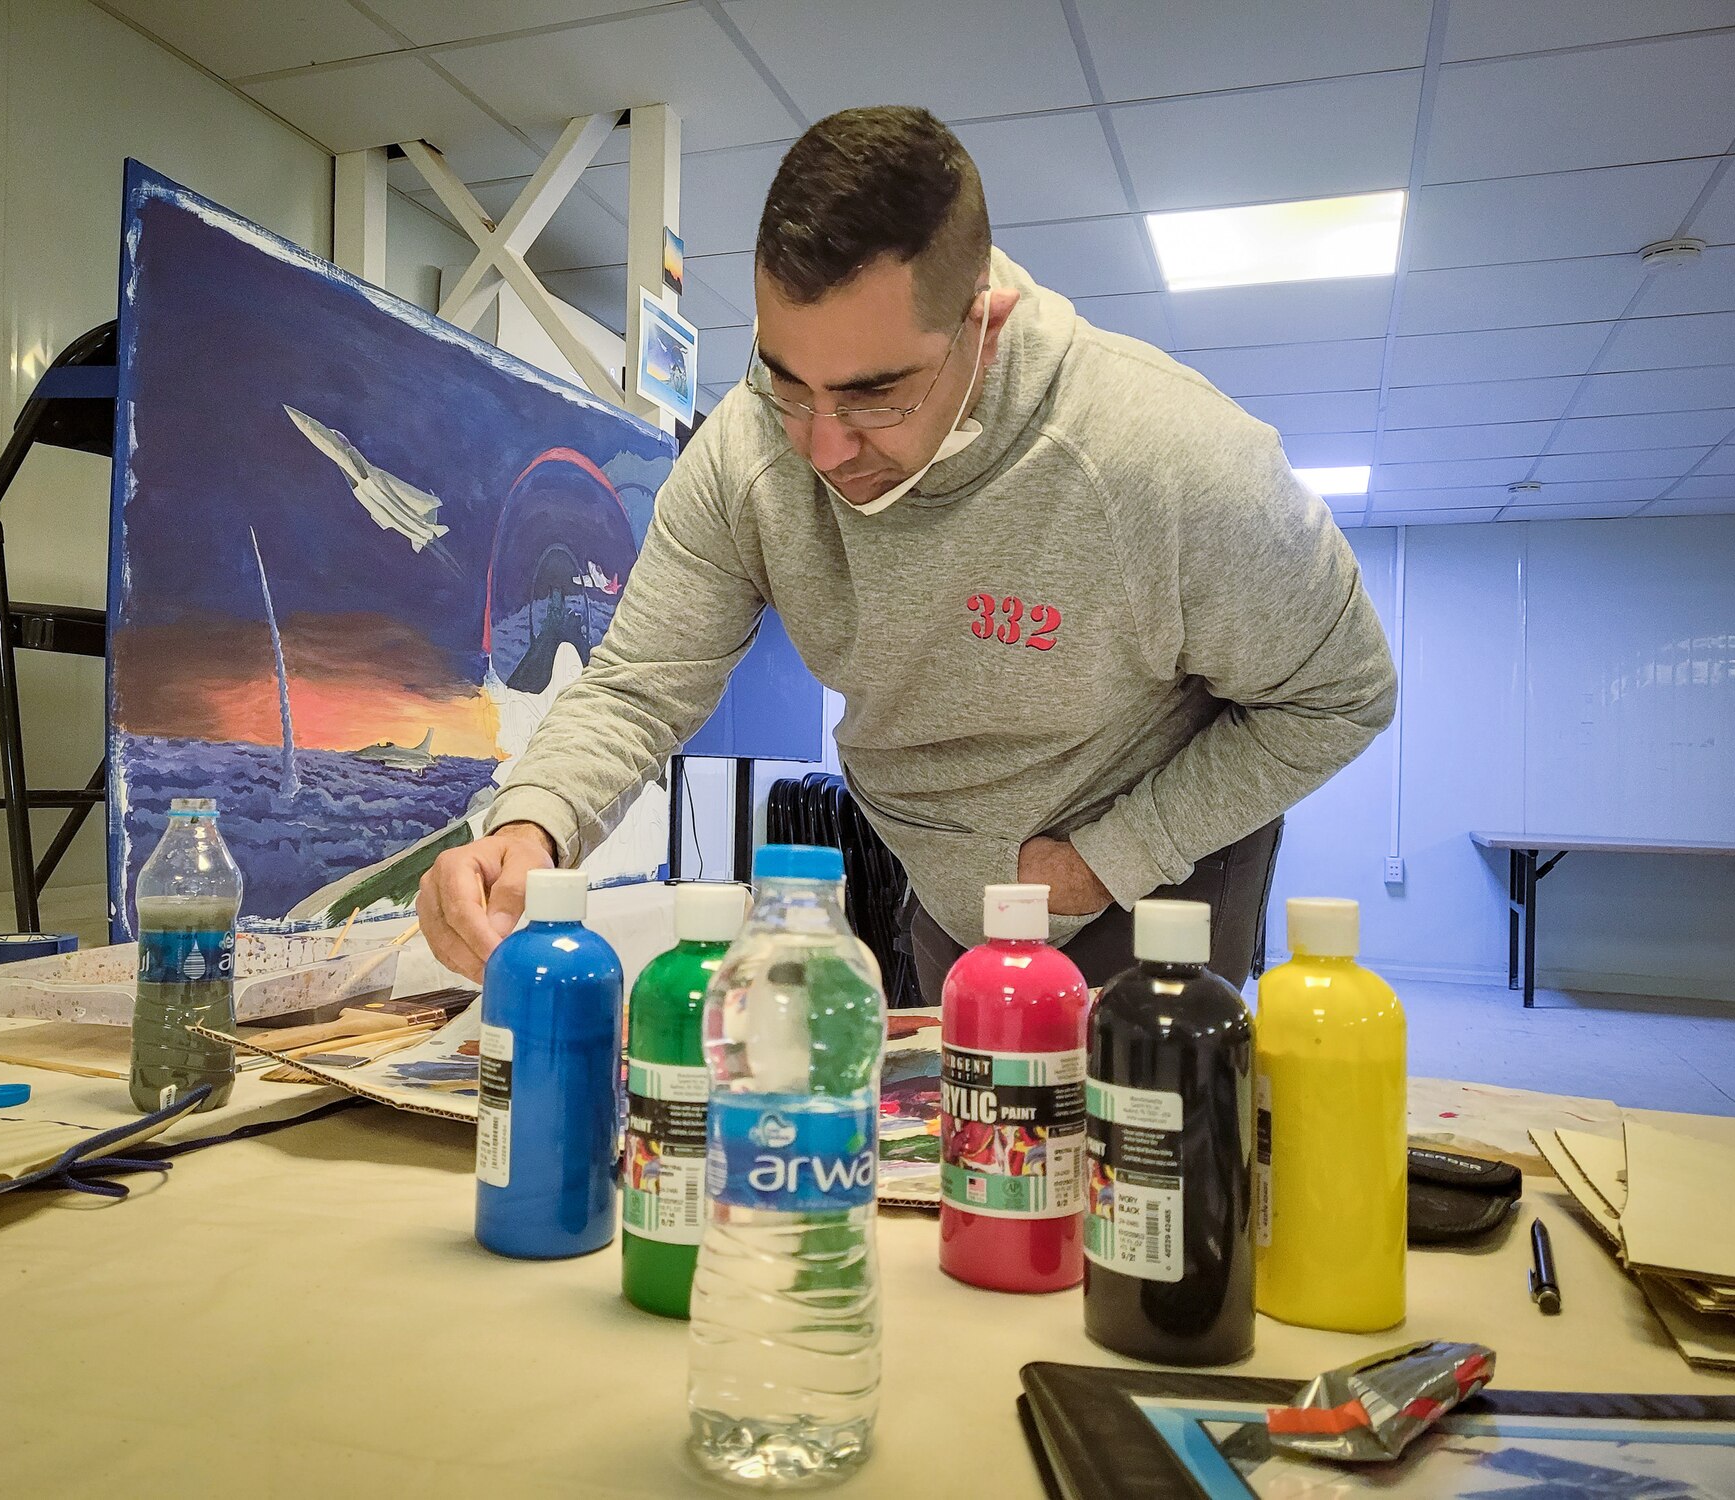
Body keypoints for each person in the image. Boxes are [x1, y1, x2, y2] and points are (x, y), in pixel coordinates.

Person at [418, 105, 1396, 999]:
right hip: (941, 887)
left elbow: (1340, 694)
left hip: (1144, 889)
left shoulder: (1173, 460)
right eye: (786, 382)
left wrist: (1110, 854)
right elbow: (639, 683)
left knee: (1131, 1175)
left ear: (984, 323)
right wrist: (528, 824)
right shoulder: (747, 456)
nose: (822, 448)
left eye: (875, 398)